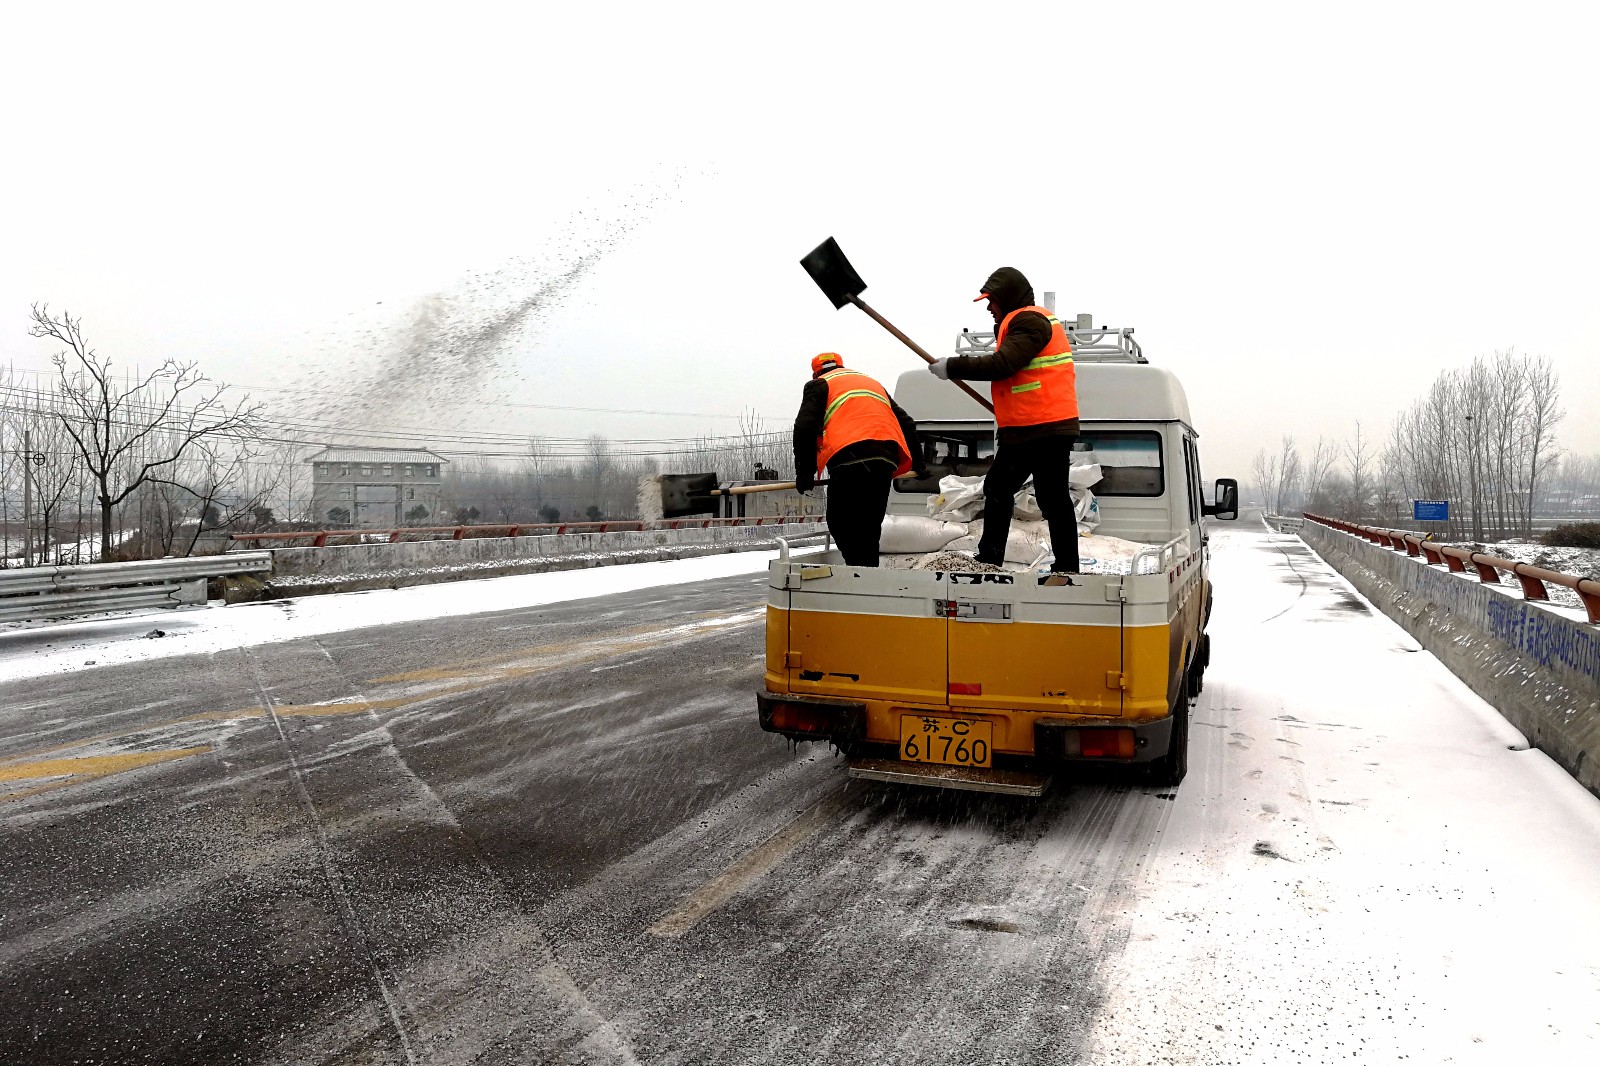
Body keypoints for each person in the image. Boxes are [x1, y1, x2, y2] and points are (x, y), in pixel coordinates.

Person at [929, 267, 1081, 573]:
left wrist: (953, 366)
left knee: (1019, 492)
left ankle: (1000, 558)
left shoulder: (1028, 321)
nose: (988, 307)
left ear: (1007, 297)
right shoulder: (1028, 322)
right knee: (1032, 494)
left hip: (1039, 428)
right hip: (1036, 427)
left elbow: (1004, 364)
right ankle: (1056, 565)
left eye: (992, 300)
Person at [793, 352, 922, 567]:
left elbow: (804, 427)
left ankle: (857, 570)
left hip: (849, 457)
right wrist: (919, 462)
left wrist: (804, 472)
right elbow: (907, 422)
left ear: (816, 372)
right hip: (884, 460)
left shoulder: (819, 385)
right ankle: (866, 577)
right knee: (869, 528)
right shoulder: (871, 384)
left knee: (839, 522)